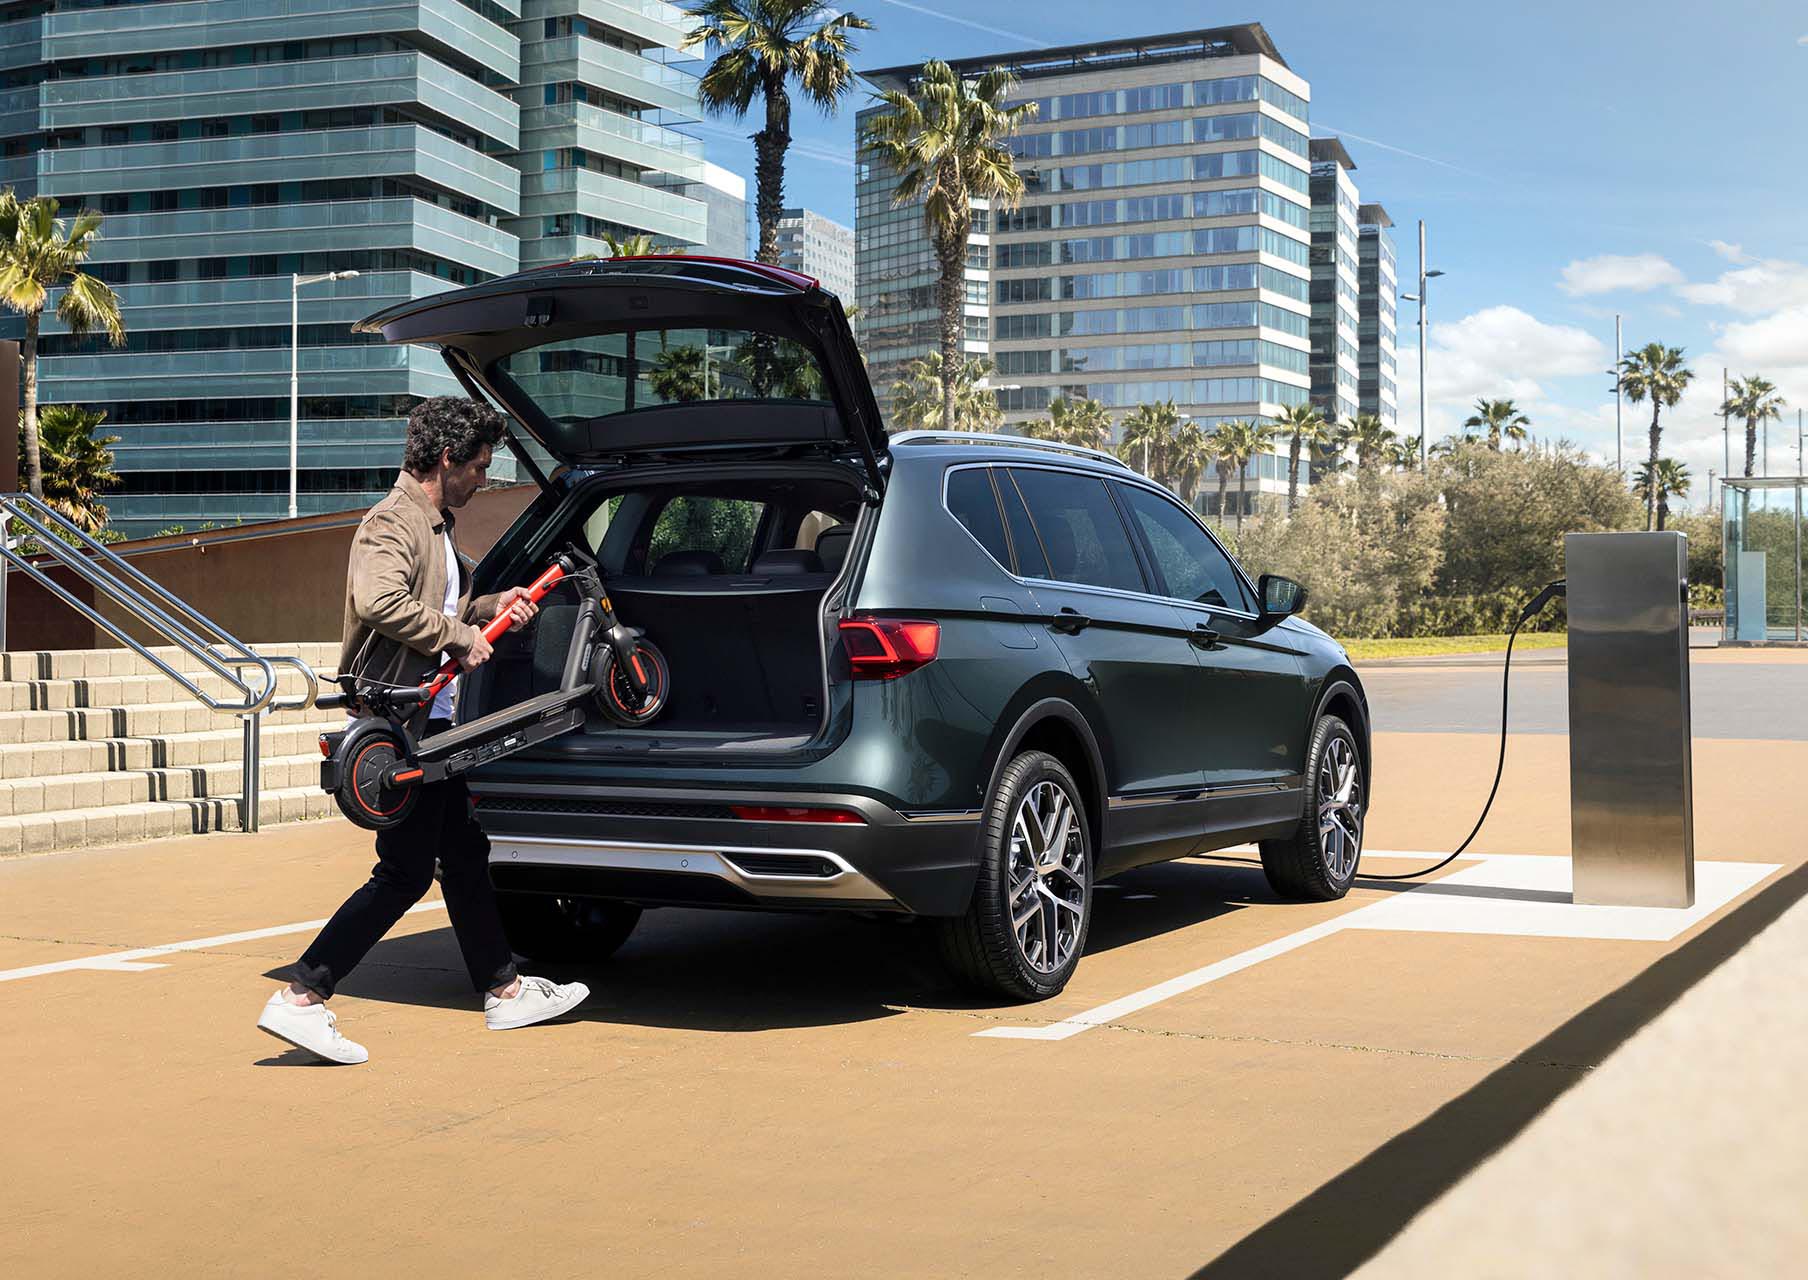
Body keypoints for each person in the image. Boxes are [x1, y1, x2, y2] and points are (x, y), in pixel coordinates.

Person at [256, 397, 590, 1064]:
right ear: (447, 460)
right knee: (405, 874)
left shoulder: (435, 526)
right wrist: (460, 638)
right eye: (480, 466)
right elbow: (380, 601)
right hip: (396, 718)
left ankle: (504, 990)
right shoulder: (393, 522)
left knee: (462, 853)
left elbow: (448, 602)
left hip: (429, 718)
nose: (485, 478)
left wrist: (497, 606)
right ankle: (302, 996)